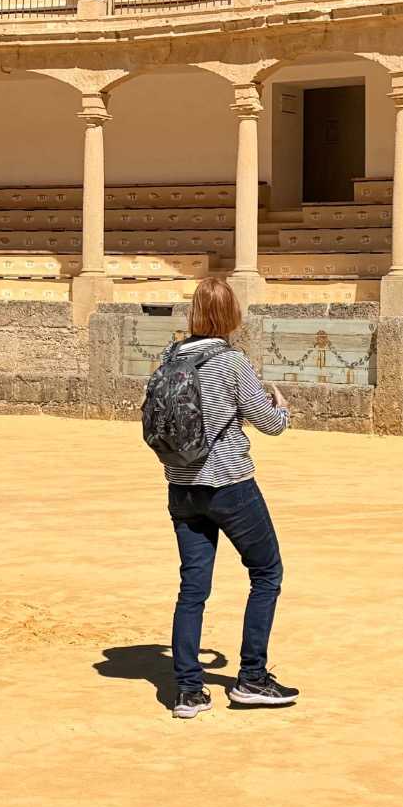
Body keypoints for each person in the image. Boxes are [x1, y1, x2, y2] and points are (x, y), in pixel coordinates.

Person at [163, 276, 298, 719]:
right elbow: (270, 424)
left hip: (182, 486)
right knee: (267, 573)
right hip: (229, 485)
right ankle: (252, 678)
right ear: (231, 315)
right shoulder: (231, 362)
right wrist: (281, 408)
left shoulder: (171, 358)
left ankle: (188, 691)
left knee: (192, 588)